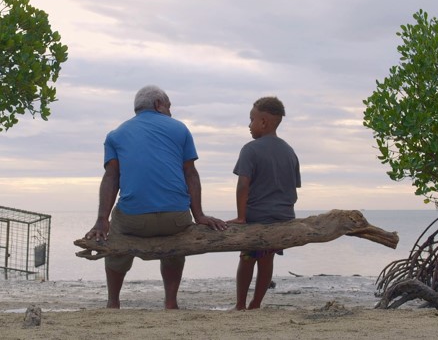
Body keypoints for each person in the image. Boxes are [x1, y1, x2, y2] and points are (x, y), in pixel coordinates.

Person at [84, 85, 227, 309]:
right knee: (175, 246)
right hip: (175, 218)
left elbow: (111, 178)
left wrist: (102, 220)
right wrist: (198, 215)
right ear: (159, 104)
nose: (171, 111)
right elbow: (191, 173)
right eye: (169, 106)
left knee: (117, 232)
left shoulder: (116, 134)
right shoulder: (180, 129)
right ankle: (170, 302)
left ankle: (113, 302)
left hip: (134, 221)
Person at [228, 96, 301, 310]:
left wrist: (241, 217)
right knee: (267, 260)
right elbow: (292, 187)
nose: (248, 125)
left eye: (251, 119)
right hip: (284, 218)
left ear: (263, 122)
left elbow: (243, 185)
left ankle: (240, 304)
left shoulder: (250, 149)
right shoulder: (289, 151)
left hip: (257, 218)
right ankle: (256, 304)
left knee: (247, 258)